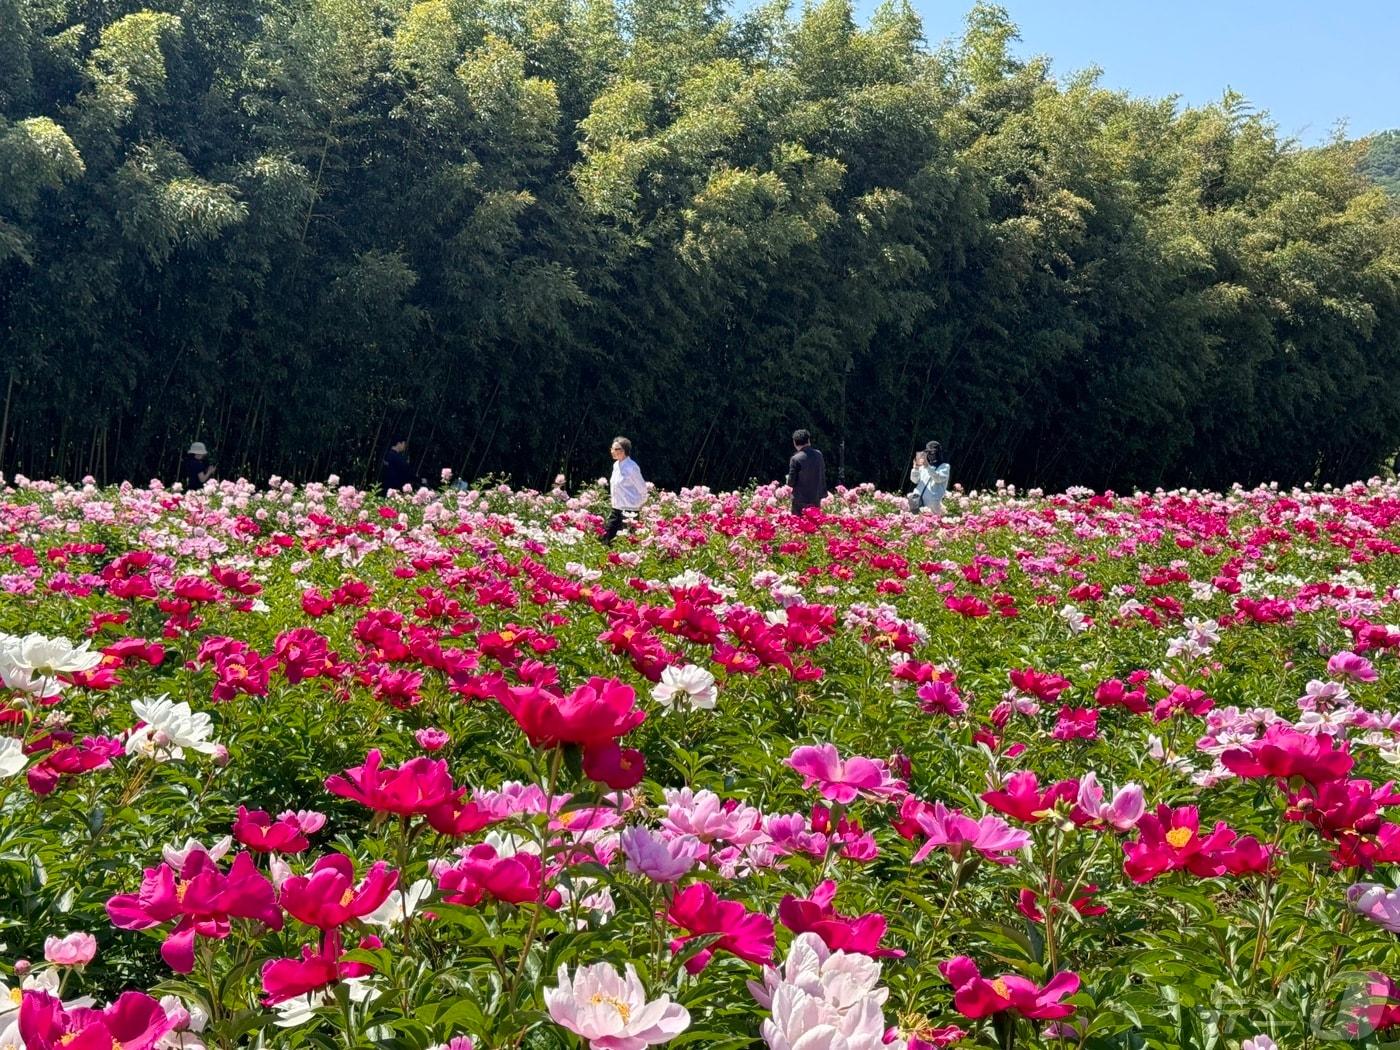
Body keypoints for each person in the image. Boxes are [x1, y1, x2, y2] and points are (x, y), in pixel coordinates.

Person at [604, 436, 647, 545]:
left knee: (629, 542)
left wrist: (637, 505)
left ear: (623, 451)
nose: (612, 451)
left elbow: (642, 489)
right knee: (607, 537)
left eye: (615, 449)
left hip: (629, 511)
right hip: (616, 509)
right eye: (612, 449)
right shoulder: (616, 465)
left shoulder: (632, 467)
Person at [787, 429, 826, 515]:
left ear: (794, 442)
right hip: (816, 498)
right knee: (814, 525)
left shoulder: (795, 459)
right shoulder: (819, 455)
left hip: (800, 501)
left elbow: (791, 482)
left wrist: (788, 478)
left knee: (798, 525)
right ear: (808, 441)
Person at [909, 440, 951, 514]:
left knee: (931, 523)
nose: (930, 455)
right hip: (917, 500)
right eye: (928, 452)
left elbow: (938, 479)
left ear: (938, 453)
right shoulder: (923, 467)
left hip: (932, 505)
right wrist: (915, 468)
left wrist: (927, 466)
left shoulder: (945, 466)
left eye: (932, 452)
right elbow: (914, 480)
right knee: (914, 523)